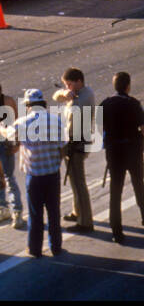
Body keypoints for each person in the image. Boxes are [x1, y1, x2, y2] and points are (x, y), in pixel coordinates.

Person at [0, 90, 66, 257]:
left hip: (34, 176)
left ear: (29, 106)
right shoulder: (56, 120)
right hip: (52, 174)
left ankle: (35, 249)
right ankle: (56, 246)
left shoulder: (22, 123)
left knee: (35, 214)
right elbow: (62, 146)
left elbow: (10, 138)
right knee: (54, 211)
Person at [100, 72, 144, 245]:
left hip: (114, 152)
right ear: (128, 86)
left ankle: (116, 230)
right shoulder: (133, 104)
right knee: (138, 183)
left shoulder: (105, 103)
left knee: (115, 190)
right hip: (133, 151)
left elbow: (96, 128)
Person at [53, 68, 94, 232]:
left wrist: (67, 97)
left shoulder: (83, 98)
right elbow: (56, 96)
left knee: (79, 183)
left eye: (69, 84)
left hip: (77, 143)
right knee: (74, 180)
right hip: (73, 142)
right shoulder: (78, 93)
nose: (68, 87)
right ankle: (78, 212)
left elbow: (71, 110)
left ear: (78, 81)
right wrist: (65, 93)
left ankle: (85, 222)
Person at [0, 84, 22, 229]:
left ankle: (8, 209)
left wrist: (16, 143)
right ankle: (12, 210)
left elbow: (16, 124)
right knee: (7, 177)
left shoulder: (8, 101)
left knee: (5, 178)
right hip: (7, 143)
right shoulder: (8, 100)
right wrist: (17, 144)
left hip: (5, 143)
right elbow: (16, 124)